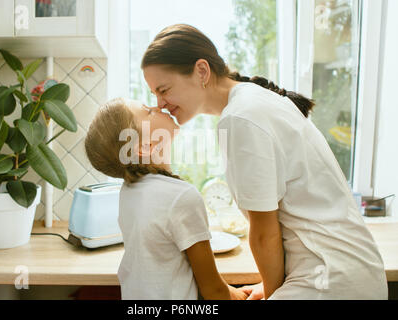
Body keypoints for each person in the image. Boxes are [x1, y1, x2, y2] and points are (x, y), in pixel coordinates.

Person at [141, 24, 388, 300]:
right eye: (154, 95)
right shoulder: (251, 103)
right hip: (343, 272)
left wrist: (272, 293)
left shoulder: (241, 117)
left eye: (164, 89)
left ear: (201, 71)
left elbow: (264, 233)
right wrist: (272, 287)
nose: (160, 104)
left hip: (330, 280)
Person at [84, 97, 248, 300]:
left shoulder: (130, 190)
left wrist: (234, 293)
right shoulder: (180, 196)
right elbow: (213, 291)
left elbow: (180, 269)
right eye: (147, 111)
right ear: (144, 147)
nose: (158, 106)